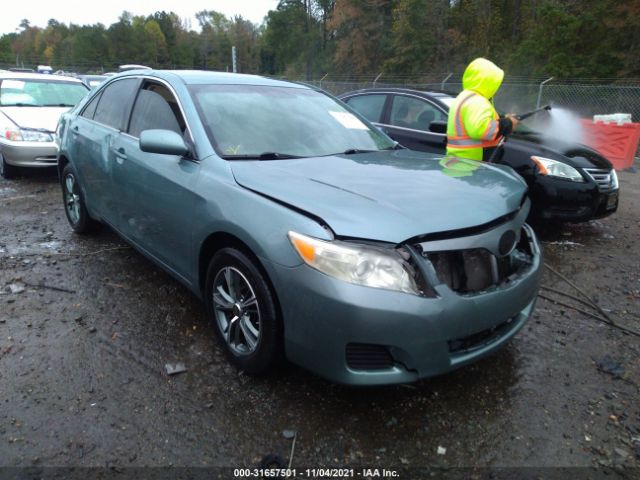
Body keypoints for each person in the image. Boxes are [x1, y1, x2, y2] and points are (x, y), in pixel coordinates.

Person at [446, 58, 519, 161]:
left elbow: (473, 123)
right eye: (495, 82)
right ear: (487, 81)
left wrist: (503, 118)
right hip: (471, 164)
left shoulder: (465, 97)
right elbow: (481, 130)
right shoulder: (477, 101)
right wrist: (508, 123)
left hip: (459, 161)